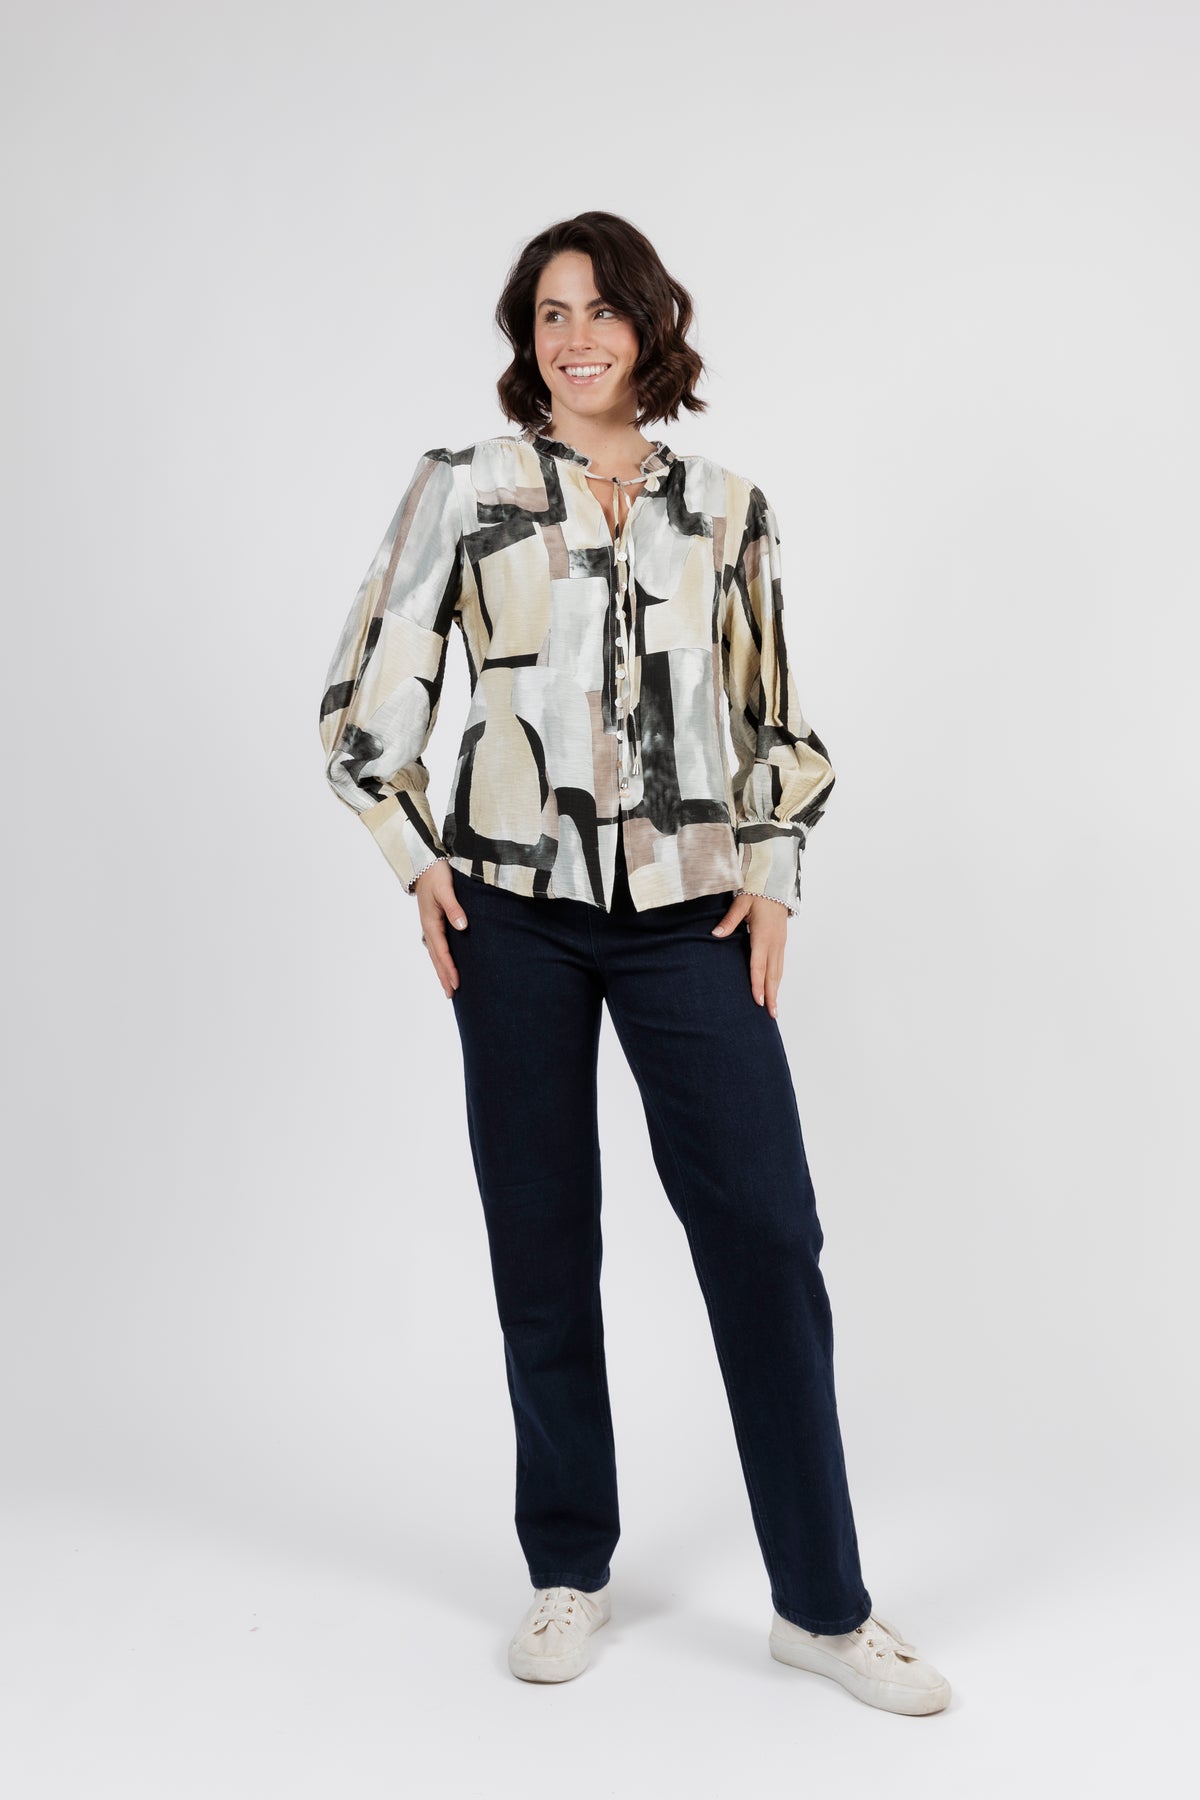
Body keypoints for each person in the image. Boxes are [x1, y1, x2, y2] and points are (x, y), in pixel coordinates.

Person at [318, 211, 951, 1714]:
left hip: (691, 917)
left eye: (601, 310)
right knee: (542, 1241)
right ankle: (567, 1567)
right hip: (512, 915)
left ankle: (823, 1605)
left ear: (650, 327)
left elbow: (774, 718)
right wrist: (418, 857)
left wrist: (774, 874)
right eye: (550, 314)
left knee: (767, 1234)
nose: (576, 337)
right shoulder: (465, 488)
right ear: (526, 340)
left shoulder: (726, 508)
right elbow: (366, 700)